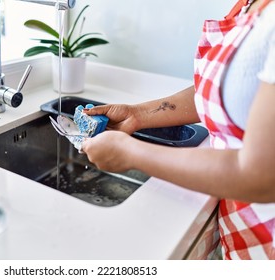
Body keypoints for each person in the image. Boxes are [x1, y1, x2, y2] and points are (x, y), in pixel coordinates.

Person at [81, 0, 275, 260]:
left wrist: (129, 153)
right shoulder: (248, 5)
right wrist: (137, 115)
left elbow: (259, 176)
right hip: (244, 232)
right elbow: (229, 89)